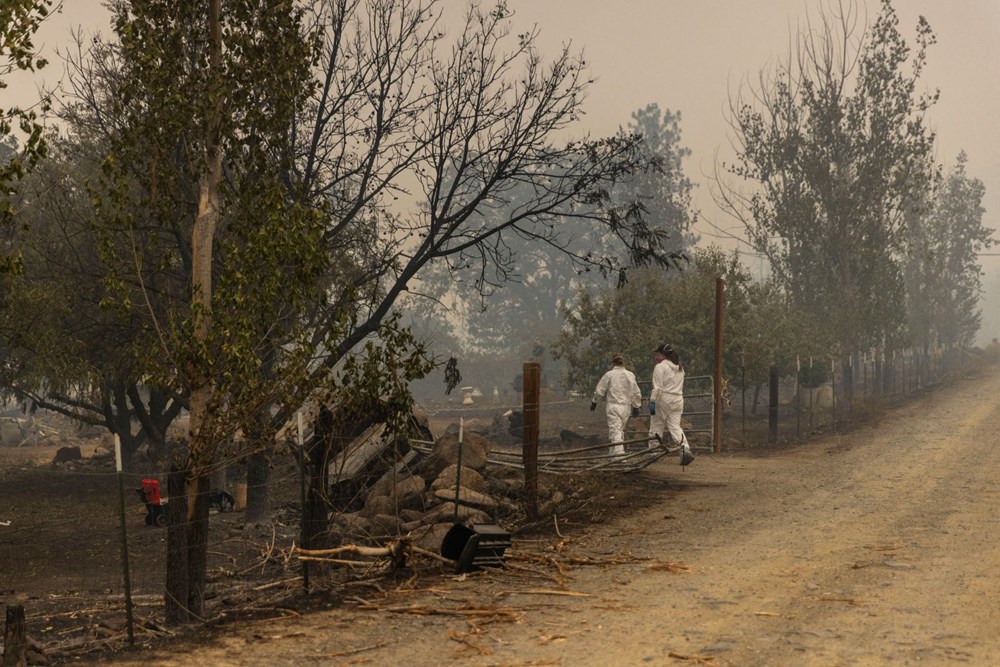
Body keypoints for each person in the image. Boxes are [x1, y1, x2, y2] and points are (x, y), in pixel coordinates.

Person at [648, 343, 695, 466]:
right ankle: (685, 449)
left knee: (656, 425)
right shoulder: (680, 368)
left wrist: (652, 401)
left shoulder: (660, 367)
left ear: (663, 355)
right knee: (674, 426)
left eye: (658, 353)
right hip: (678, 399)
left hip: (664, 398)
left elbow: (657, 388)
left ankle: (654, 451)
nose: (657, 356)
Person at [591, 353, 642, 456]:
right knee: (619, 430)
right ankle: (613, 455)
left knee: (615, 431)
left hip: (613, 406)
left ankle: (619, 455)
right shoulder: (630, 375)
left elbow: (600, 390)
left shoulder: (609, 375)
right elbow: (636, 392)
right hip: (626, 407)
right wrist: (636, 406)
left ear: (613, 363)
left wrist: (594, 401)